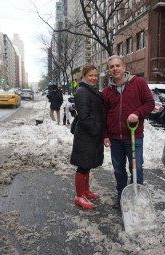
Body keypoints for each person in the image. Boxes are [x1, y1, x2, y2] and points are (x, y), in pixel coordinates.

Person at [102, 55, 155, 209]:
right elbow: (104, 115)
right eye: (112, 67)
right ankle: (122, 196)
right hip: (115, 138)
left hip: (134, 135)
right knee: (119, 170)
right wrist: (105, 135)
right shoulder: (107, 91)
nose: (115, 69)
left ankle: (136, 197)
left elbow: (150, 103)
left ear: (124, 67)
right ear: (109, 71)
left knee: (136, 168)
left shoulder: (138, 83)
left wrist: (137, 113)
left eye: (118, 65)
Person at [70, 64, 105, 209]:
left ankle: (85, 191)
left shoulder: (90, 90)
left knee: (88, 164)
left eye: (95, 75)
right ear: (84, 76)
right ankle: (79, 196)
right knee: (83, 166)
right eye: (91, 75)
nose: (94, 78)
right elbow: (84, 117)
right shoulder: (82, 92)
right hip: (86, 134)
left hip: (92, 134)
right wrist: (97, 131)